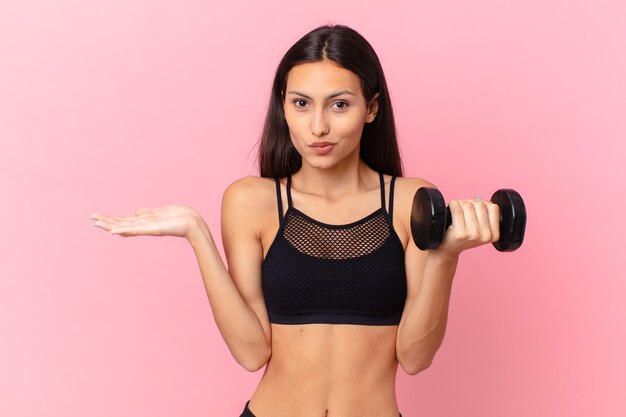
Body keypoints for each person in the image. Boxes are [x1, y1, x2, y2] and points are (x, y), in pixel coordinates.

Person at [90, 24, 500, 417]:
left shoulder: (409, 201)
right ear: (283, 106)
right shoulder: (251, 201)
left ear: (371, 108)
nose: (318, 126)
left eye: (339, 104)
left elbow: (415, 357)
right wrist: (198, 235)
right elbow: (251, 353)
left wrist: (445, 258)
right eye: (301, 103)